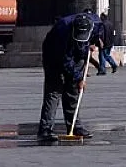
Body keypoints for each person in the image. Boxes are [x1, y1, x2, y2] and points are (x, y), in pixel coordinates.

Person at [37, 12, 100, 142]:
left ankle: (75, 127)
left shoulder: (96, 23)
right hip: (53, 54)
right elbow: (66, 60)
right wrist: (79, 78)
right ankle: (45, 129)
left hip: (77, 53)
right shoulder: (62, 30)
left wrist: (92, 43)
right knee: (53, 91)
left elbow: (97, 37)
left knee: (73, 91)